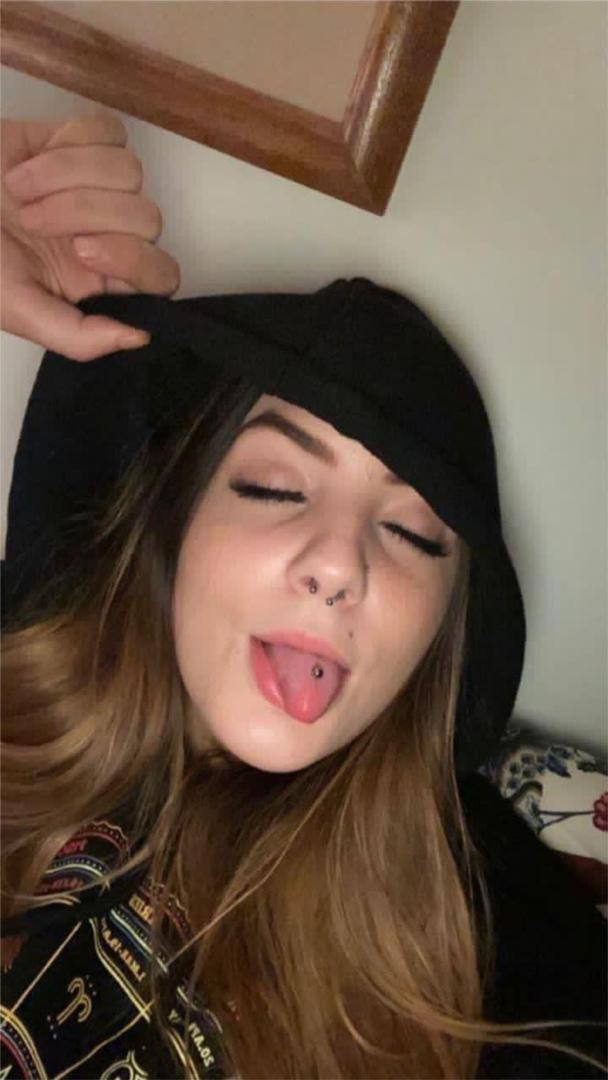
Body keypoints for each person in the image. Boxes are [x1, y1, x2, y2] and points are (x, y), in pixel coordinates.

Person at [1, 111, 606, 1080]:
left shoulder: (482, 937)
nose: (339, 564)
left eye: (412, 533)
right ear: (177, 527)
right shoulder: (24, 690)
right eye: (276, 486)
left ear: (439, 637)